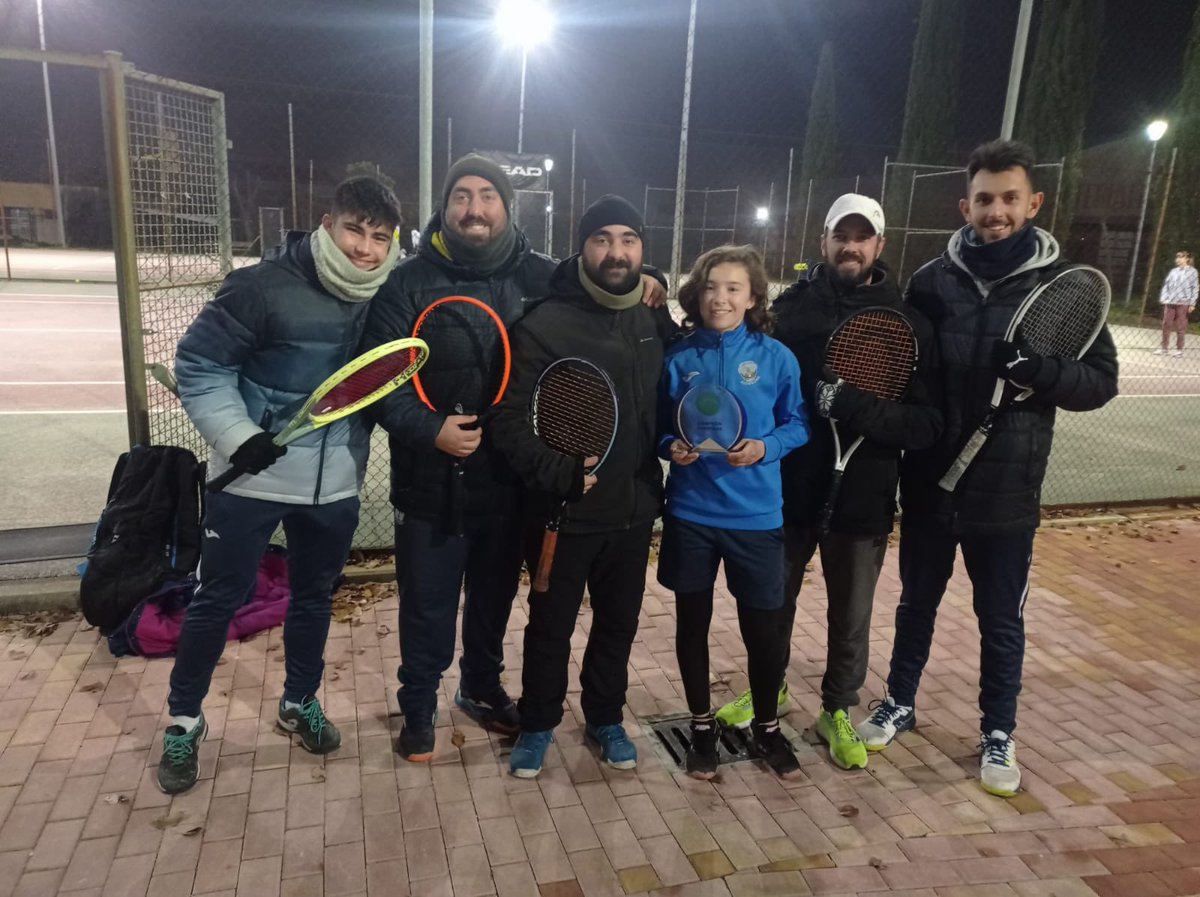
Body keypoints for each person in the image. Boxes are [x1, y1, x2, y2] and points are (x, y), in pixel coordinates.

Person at [361, 160, 666, 762]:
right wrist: (431, 430)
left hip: (508, 483)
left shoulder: (538, 275)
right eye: (462, 197)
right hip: (431, 480)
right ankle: (419, 705)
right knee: (427, 606)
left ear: (506, 206)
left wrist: (648, 276)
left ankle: (479, 689)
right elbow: (380, 381)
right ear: (446, 208)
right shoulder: (406, 283)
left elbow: (600, 280)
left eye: (488, 196)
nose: (475, 208)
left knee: (495, 601)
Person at [858, 140, 1118, 797]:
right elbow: (901, 370)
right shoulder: (929, 281)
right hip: (930, 486)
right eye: (984, 199)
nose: (996, 211)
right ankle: (900, 700)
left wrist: (1042, 373)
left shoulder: (1059, 284)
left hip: (1007, 495)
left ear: (1032, 202)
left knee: (1000, 622)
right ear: (964, 204)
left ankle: (998, 729)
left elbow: (1099, 381)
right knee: (916, 603)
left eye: (1009, 198)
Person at [157, 176, 403, 795]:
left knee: (315, 597)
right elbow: (200, 364)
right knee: (218, 598)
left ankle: (299, 702)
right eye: (354, 230)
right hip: (251, 475)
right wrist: (239, 436)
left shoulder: (390, 290)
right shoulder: (259, 286)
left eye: (380, 237)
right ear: (326, 224)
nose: (366, 250)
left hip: (335, 483)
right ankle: (183, 722)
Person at [712, 196, 942, 773]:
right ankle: (772, 688)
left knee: (851, 615)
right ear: (824, 240)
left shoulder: (908, 324)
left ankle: (838, 708)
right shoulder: (787, 314)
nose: (852, 246)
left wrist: (856, 408)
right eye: (843, 234)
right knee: (773, 603)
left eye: (864, 237)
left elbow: (926, 423)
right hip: (786, 491)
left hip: (863, 498)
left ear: (879, 247)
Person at [489, 195, 675, 778]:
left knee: (617, 626)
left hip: (635, 508)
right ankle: (539, 722)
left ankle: (605, 718)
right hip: (563, 513)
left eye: (628, 239)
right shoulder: (544, 322)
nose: (615, 251)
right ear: (582, 246)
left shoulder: (652, 317)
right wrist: (563, 475)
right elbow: (510, 420)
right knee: (550, 628)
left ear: (643, 250)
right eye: (602, 239)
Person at [657, 244, 809, 780]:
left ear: (753, 298)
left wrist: (765, 447)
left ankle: (767, 728)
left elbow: (799, 424)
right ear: (696, 294)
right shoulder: (676, 359)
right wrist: (670, 444)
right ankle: (701, 726)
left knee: (763, 633)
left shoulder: (776, 358)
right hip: (692, 515)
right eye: (711, 287)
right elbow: (660, 427)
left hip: (757, 518)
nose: (720, 298)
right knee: (692, 623)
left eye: (733, 288)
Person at [1155, 250, 1197, 357]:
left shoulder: (1192, 272)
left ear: (1187, 259)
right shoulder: (1173, 271)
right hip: (1170, 302)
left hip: (1183, 303)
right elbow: (1166, 285)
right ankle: (1164, 348)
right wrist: (1164, 297)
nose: (1178, 259)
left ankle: (1179, 349)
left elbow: (1195, 288)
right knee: (1166, 324)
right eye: (1177, 257)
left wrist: (1192, 303)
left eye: (1181, 257)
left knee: (1181, 326)